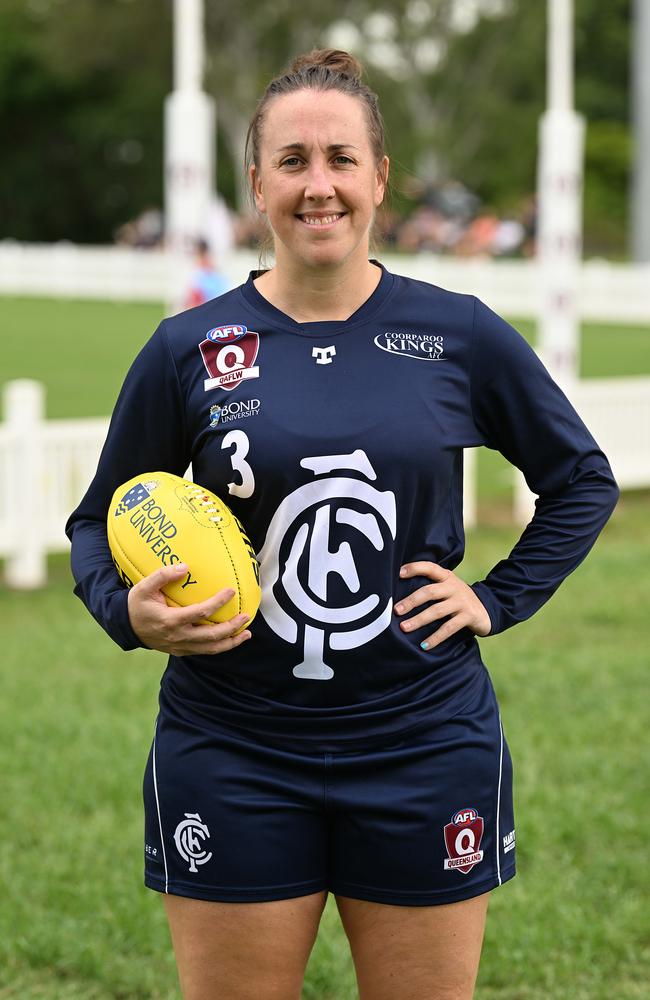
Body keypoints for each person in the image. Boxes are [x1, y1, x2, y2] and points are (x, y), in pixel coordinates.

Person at [65, 49, 619, 1000]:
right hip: (231, 749)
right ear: (255, 185)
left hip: (423, 741)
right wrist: (128, 612)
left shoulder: (459, 334)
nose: (318, 185)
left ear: (379, 179)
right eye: (291, 162)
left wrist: (497, 598)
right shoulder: (190, 348)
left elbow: (581, 478)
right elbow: (95, 522)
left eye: (339, 159)